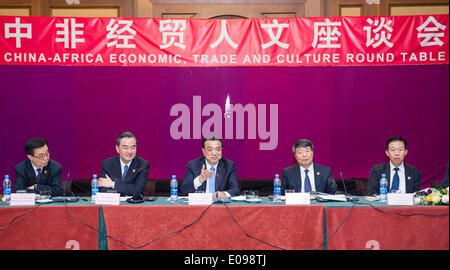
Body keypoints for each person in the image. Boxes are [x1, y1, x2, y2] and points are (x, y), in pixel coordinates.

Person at [98, 132, 150, 196]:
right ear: (117, 149)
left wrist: (112, 184)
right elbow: (103, 189)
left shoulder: (143, 165)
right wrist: (127, 189)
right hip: (113, 203)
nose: (129, 151)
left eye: (133, 147)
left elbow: (137, 189)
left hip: (133, 204)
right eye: (125, 148)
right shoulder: (107, 164)